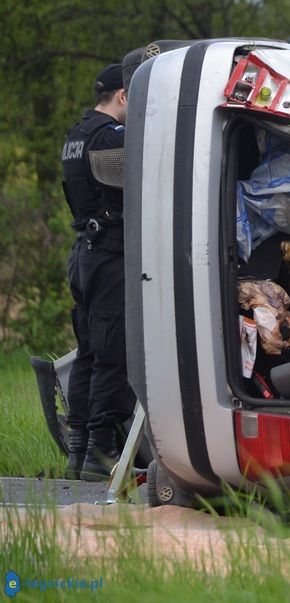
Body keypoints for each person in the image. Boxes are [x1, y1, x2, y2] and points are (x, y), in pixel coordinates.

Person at [61, 63, 136, 481]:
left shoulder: (75, 136)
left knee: (89, 350)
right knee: (111, 352)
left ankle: (78, 449)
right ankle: (101, 451)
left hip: (84, 253)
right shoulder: (112, 138)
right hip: (109, 252)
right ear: (122, 96)